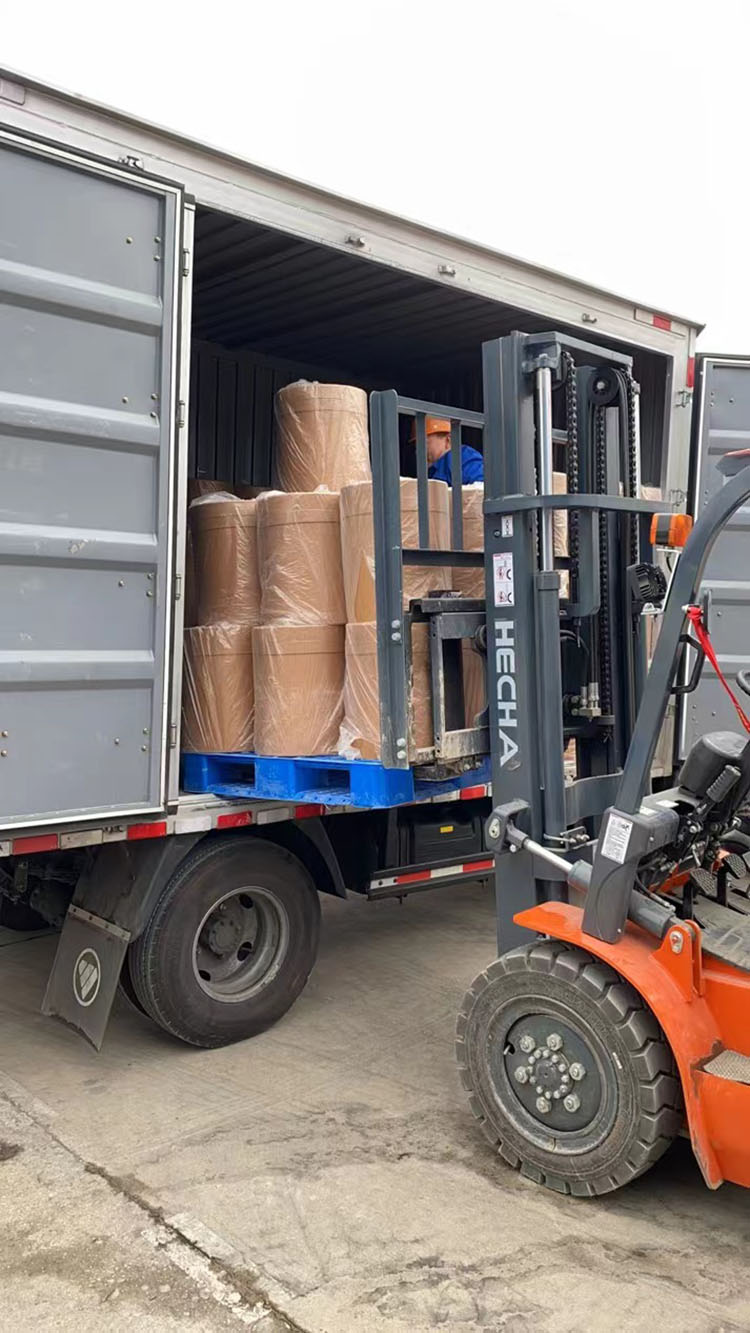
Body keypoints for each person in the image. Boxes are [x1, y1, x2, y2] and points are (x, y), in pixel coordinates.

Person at [410, 416, 484, 485]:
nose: (418, 450)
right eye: (416, 444)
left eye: (424, 442)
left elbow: (480, 487)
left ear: (448, 439)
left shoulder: (463, 457)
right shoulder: (429, 472)